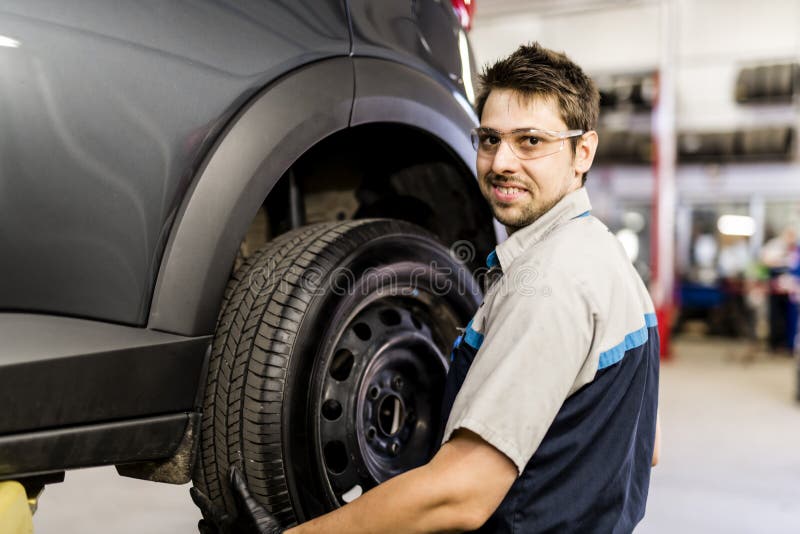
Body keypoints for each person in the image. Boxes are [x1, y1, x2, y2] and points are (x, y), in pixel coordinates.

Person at [193, 42, 661, 534]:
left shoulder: (549, 284)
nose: (501, 162)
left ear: (582, 151)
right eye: (489, 139)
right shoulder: (611, 263)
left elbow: (463, 494)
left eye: (529, 141)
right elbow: (643, 446)